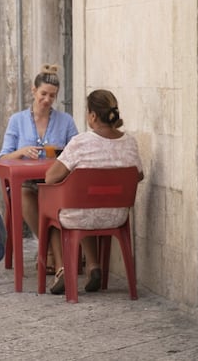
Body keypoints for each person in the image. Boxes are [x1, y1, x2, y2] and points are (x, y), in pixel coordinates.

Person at [44, 89, 144, 295]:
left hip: (80, 215)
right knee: (85, 201)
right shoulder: (130, 142)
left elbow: (50, 177)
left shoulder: (81, 142)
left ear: (92, 116)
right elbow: (138, 175)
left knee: (53, 212)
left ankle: (63, 270)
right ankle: (93, 266)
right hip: (116, 216)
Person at [0, 64, 78, 275]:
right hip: (26, 184)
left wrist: (62, 153)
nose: (47, 99)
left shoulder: (66, 121)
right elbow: (3, 157)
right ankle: (50, 249)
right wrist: (22, 151)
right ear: (33, 91)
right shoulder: (17, 121)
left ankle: (50, 254)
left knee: (49, 197)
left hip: (55, 182)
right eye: (43, 94)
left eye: (53, 96)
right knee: (24, 194)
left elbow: (77, 152)